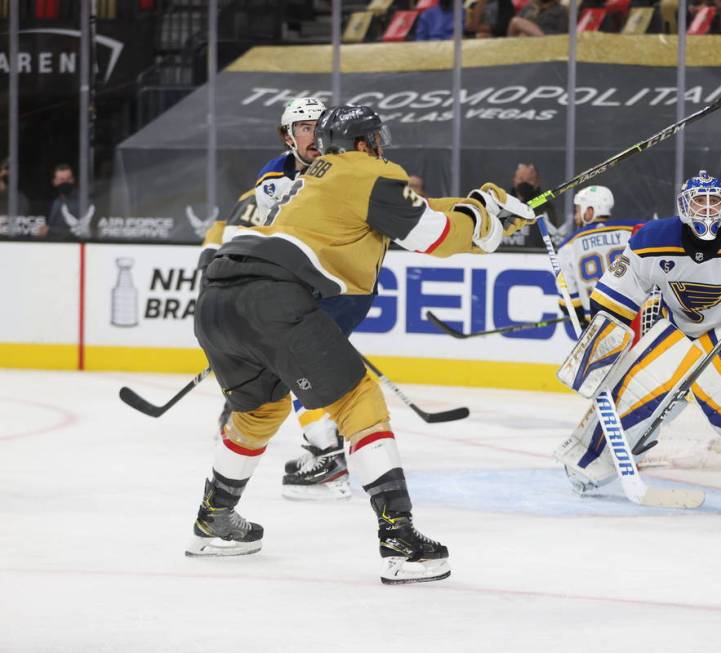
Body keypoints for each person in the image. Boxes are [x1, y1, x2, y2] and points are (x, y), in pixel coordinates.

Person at [187, 104, 536, 584]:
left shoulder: (316, 178)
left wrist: (476, 205)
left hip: (219, 299)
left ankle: (214, 520)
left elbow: (411, 212)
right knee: (359, 400)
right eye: (377, 139)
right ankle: (401, 540)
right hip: (275, 298)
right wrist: (485, 221)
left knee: (258, 413)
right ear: (365, 142)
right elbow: (434, 236)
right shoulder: (370, 172)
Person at [555, 171, 721, 499]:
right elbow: (616, 295)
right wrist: (601, 346)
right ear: (683, 205)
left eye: (714, 200)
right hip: (678, 329)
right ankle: (589, 461)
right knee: (633, 386)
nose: (707, 209)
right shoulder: (653, 239)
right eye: (699, 200)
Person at [202, 97, 355, 501]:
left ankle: (328, 455)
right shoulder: (274, 174)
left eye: (317, 125)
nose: (312, 134)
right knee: (293, 366)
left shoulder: (345, 166)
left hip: (336, 278)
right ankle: (325, 450)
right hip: (298, 283)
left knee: (295, 365)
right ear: (288, 136)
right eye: (303, 127)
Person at [556, 185, 644, 328]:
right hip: (637, 322)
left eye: (578, 210)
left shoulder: (568, 246)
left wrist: (583, 320)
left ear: (590, 211)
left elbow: (568, 304)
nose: (576, 216)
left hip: (600, 328)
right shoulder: (633, 230)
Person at [47, 164, 86, 239]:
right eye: (61, 179)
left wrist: (49, 230)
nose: (65, 182)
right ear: (54, 181)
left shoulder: (80, 202)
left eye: (68, 179)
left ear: (73, 180)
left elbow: (78, 229)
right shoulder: (54, 201)